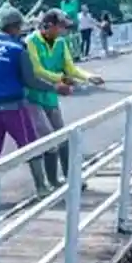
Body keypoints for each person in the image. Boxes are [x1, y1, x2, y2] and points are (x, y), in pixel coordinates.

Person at [0, 8, 55, 197]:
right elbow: (30, 80)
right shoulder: (17, 49)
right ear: (14, 27)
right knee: (29, 145)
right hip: (13, 106)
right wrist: (54, 87)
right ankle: (41, 187)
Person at [26, 10, 104, 186]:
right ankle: (53, 181)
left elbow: (70, 68)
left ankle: (71, 178)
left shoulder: (61, 43)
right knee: (49, 139)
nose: (64, 31)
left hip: (51, 97)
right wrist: (61, 78)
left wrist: (88, 76)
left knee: (63, 138)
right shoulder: (31, 41)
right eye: (61, 27)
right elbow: (37, 70)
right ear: (49, 25)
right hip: (33, 97)